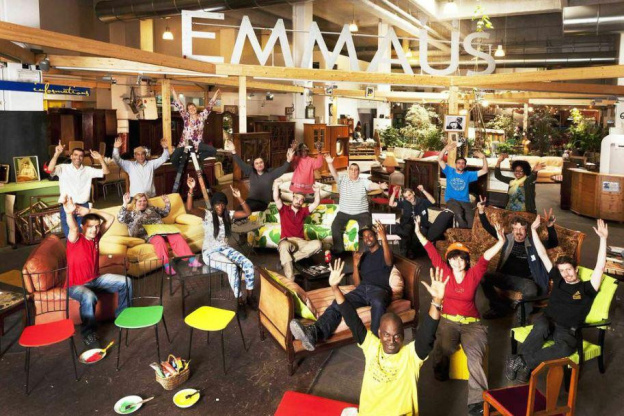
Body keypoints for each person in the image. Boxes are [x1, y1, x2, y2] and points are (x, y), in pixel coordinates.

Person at [317, 258, 446, 416]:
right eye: (386, 335)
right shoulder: (371, 346)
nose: (391, 341)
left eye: (397, 336)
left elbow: (427, 333)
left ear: (403, 336)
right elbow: (351, 318)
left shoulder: (411, 357)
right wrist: (335, 288)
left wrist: (437, 301)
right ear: (379, 333)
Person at [415, 216, 506, 416]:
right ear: (448, 260)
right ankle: (440, 366)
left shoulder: (474, 274)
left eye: (461, 258)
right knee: (445, 347)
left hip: (472, 324)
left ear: (466, 260)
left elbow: (485, 257)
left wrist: (501, 242)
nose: (457, 262)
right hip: (448, 321)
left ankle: (477, 403)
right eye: (453, 258)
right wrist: (418, 232)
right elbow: (430, 250)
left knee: (475, 355)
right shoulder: (444, 271)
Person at [506, 218, 608, 383]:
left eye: (569, 269)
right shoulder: (559, 279)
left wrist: (603, 239)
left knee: (566, 348)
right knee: (540, 328)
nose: (566, 274)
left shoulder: (587, 289)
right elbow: (542, 254)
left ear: (576, 269)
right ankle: (526, 367)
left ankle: (521, 361)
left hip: (566, 329)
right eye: (562, 271)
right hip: (547, 320)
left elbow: (600, 267)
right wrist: (533, 230)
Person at [290, 220, 393, 351]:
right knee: (339, 302)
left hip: (380, 290)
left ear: (376, 236)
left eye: (370, 235)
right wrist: (355, 264)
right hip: (362, 290)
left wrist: (384, 238)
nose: (367, 239)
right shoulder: (364, 256)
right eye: (365, 237)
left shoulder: (385, 252)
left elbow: (389, 262)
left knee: (378, 303)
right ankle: (315, 332)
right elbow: (357, 284)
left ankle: (375, 343)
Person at [62, 195, 130, 349]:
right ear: (83, 227)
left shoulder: (96, 237)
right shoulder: (75, 239)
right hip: (75, 285)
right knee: (89, 296)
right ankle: (88, 334)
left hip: (95, 280)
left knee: (126, 282)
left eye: (97, 226)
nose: (94, 230)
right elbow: (72, 227)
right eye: (90, 226)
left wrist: (89, 211)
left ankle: (123, 316)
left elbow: (111, 218)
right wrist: (68, 213)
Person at [479, 199, 559, 321]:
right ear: (512, 230)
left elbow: (553, 242)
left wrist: (550, 226)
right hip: (505, 277)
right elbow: (488, 227)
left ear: (526, 231)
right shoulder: (506, 238)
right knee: (483, 277)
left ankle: (522, 318)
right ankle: (499, 308)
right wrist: (481, 211)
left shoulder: (534, 243)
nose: (518, 232)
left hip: (524, 281)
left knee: (531, 289)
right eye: (515, 229)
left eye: (522, 229)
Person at [201, 187, 255, 318]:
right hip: (209, 252)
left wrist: (239, 197)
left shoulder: (228, 215)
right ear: (213, 205)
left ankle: (250, 297)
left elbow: (247, 213)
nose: (220, 206)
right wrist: (191, 191)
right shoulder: (207, 215)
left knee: (248, 264)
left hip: (225, 248)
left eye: (222, 204)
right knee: (232, 267)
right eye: (217, 204)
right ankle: (240, 302)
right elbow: (190, 208)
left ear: (225, 205)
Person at [117, 192, 199, 276]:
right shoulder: (131, 213)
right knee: (159, 240)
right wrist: (125, 203)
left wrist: (167, 202)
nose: (142, 203)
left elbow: (165, 213)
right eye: (140, 201)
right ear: (135, 202)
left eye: (144, 200)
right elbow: (120, 219)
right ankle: (167, 266)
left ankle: (192, 259)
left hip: (161, 229)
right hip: (148, 234)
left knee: (176, 236)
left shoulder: (152, 208)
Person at [325, 155, 388, 255]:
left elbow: (371, 185)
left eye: (356, 170)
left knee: (367, 229)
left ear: (358, 172)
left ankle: (369, 252)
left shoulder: (363, 181)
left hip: (361, 213)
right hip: (344, 212)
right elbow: (334, 173)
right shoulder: (342, 180)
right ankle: (339, 250)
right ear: (348, 171)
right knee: (335, 227)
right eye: (352, 169)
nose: (353, 171)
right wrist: (329, 163)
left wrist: (379, 185)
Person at [48, 141, 109, 237]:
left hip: (83, 206)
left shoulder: (88, 170)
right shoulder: (63, 168)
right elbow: (50, 169)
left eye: (81, 156)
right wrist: (57, 154)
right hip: (67, 206)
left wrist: (100, 158)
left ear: (83, 158)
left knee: (83, 235)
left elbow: (106, 171)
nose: (78, 157)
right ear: (71, 156)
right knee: (70, 235)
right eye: (75, 155)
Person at [225, 140, 294, 213]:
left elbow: (282, 169)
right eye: (256, 163)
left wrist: (288, 160)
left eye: (261, 162)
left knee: (244, 210)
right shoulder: (251, 171)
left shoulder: (270, 173)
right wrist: (233, 151)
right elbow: (241, 163)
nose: (259, 165)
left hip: (262, 203)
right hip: (250, 201)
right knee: (238, 210)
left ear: (264, 163)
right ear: (254, 166)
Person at [273, 182, 322, 280]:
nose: (298, 201)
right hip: (287, 240)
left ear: (303, 202)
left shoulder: (303, 211)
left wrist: (317, 191)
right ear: (293, 198)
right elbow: (276, 198)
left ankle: (285, 261)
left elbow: (316, 203)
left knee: (318, 244)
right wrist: (276, 186)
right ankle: (291, 279)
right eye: (296, 198)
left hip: (301, 242)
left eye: (301, 200)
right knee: (284, 246)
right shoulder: (284, 209)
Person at [438, 141, 488, 229]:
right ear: (455, 164)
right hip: (451, 199)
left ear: (465, 165)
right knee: (459, 213)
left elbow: (484, 170)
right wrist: (445, 149)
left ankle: (468, 233)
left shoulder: (468, 174)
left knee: (471, 220)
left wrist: (484, 158)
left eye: (463, 163)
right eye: (459, 163)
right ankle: (463, 232)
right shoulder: (449, 171)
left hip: (465, 201)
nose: (461, 165)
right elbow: (439, 160)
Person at [170, 87, 221, 168]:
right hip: (185, 144)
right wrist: (173, 92)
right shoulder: (186, 117)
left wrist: (215, 95)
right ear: (188, 111)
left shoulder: (202, 116)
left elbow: (209, 106)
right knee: (173, 159)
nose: (192, 109)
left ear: (196, 108)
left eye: (193, 107)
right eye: (189, 108)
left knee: (213, 150)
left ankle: (199, 158)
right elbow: (180, 105)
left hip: (197, 144)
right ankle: (181, 170)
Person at [389, 185, 435, 258]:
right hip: (408, 224)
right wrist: (394, 192)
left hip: (421, 225)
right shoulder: (405, 203)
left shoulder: (421, 201)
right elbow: (391, 204)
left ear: (413, 193)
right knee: (406, 232)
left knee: (416, 235)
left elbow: (433, 201)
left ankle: (410, 251)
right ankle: (404, 254)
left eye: (409, 195)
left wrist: (423, 190)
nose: (409, 198)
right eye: (406, 197)